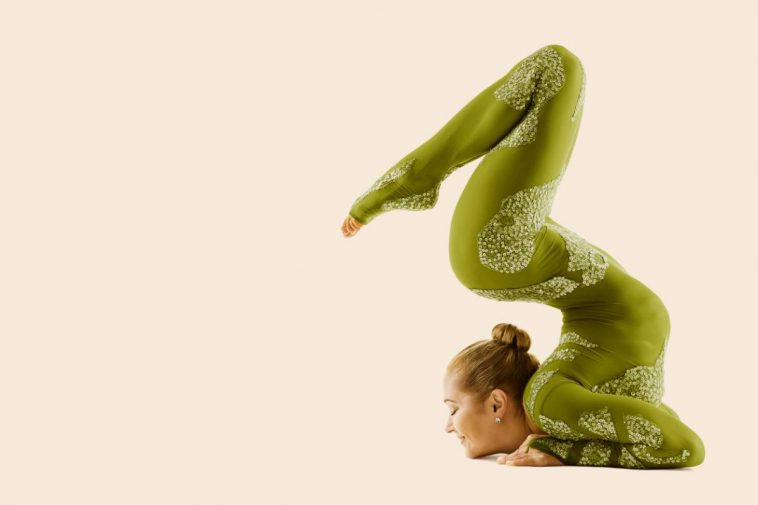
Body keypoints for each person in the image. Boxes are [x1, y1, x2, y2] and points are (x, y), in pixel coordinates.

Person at [340, 44, 705, 469]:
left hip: (590, 295)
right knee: (555, 68)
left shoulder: (555, 404)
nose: (447, 426)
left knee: (556, 70)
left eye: (451, 409)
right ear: (498, 403)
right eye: (451, 407)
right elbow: (682, 444)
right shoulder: (550, 403)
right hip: (500, 260)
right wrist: (559, 447)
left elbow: (672, 438)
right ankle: (415, 176)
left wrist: (560, 449)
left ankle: (417, 177)